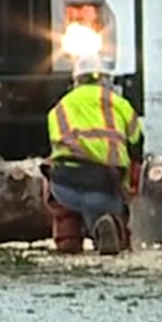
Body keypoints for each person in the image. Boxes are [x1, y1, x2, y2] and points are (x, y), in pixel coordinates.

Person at [43, 55, 143, 255]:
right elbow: (137, 145)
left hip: (65, 187)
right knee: (110, 204)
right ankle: (113, 227)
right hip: (104, 185)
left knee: (49, 170)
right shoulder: (119, 104)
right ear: (106, 80)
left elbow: (54, 145)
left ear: (75, 81)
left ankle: (68, 238)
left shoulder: (59, 108)